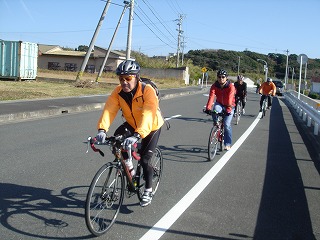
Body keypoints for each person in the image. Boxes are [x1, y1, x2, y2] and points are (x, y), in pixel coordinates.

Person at [95, 60, 164, 207]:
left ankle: (148, 190)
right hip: (132, 124)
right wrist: (102, 129)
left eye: (128, 78)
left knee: (145, 160)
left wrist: (138, 135)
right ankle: (129, 165)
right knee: (116, 140)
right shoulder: (118, 91)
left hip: (151, 126)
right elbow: (109, 109)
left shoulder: (147, 90)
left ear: (136, 77)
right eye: (121, 79)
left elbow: (148, 113)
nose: (124, 82)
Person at [204, 69, 236, 151]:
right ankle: (216, 123)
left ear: (226, 78)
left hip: (230, 106)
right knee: (215, 110)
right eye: (219, 77)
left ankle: (227, 143)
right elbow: (211, 97)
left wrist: (228, 109)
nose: (221, 78)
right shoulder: (215, 85)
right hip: (220, 104)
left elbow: (230, 98)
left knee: (227, 124)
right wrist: (208, 108)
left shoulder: (230, 86)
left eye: (223, 77)